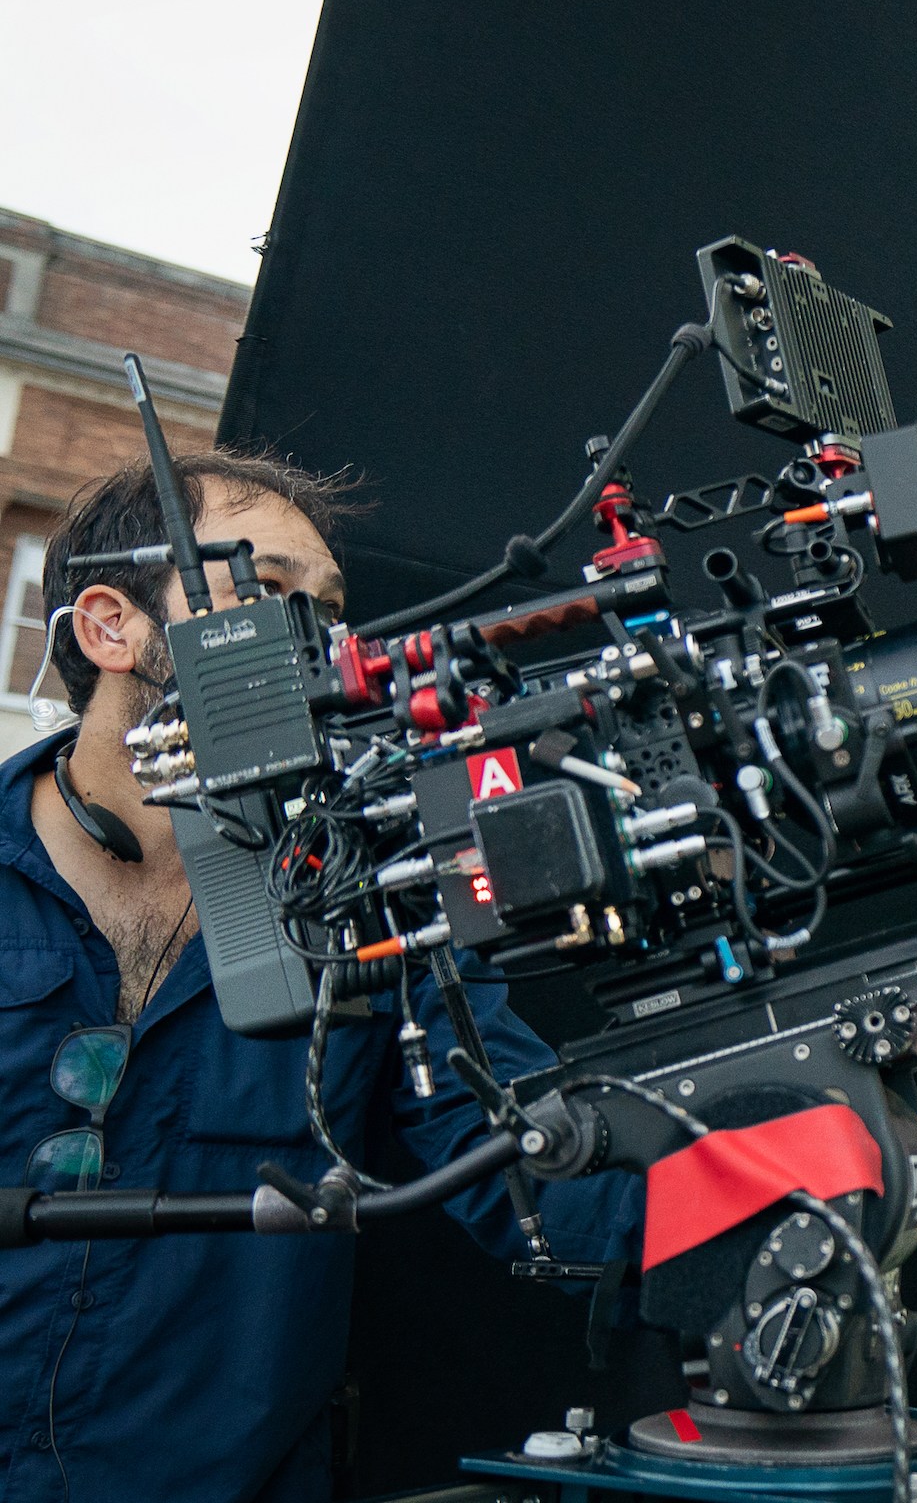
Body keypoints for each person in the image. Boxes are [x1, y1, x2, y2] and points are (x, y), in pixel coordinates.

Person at [0, 454, 639, 1502]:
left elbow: (527, 1166)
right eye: (267, 591)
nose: (320, 644)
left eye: (330, 611)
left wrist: (787, 1186)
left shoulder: (371, 896)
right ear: (109, 627)